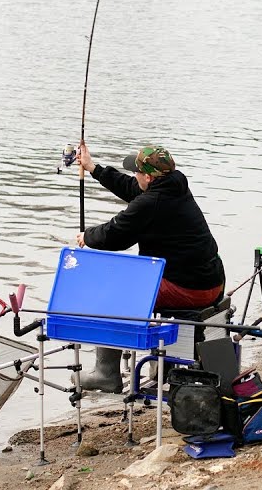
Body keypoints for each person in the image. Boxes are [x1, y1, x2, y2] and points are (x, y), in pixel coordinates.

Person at [72, 141, 225, 392]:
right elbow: (133, 189)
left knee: (112, 294)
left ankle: (106, 374)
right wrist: (93, 168)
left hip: (190, 289)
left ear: (149, 177)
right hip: (211, 281)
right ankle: (160, 364)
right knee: (132, 280)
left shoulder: (152, 202)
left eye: (137, 172)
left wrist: (88, 237)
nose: (134, 175)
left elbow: (116, 235)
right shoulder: (174, 187)